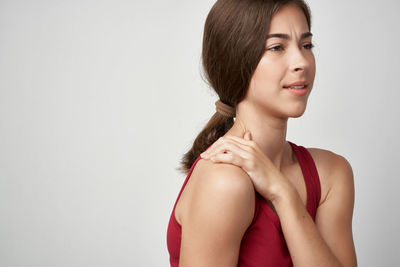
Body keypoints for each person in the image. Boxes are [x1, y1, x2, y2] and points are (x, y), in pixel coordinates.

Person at [166, 0, 357, 266]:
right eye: (277, 47)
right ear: (236, 59)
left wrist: (282, 192)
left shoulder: (332, 174)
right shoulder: (224, 182)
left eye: (306, 45)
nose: (301, 61)